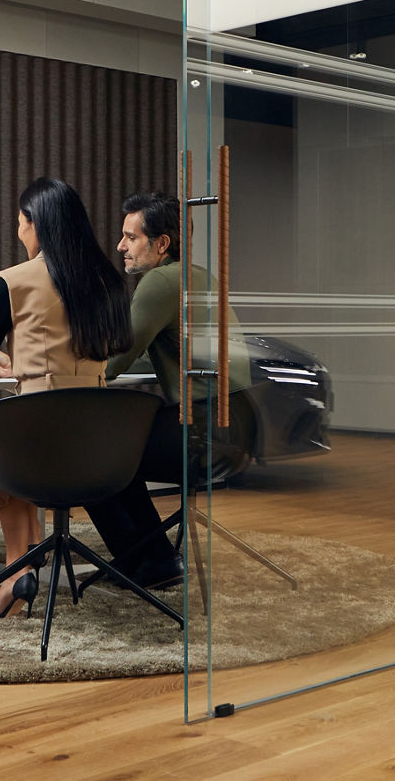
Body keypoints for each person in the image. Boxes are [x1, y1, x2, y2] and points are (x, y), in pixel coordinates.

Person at [0, 177, 181, 618]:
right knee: (9, 435)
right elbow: (99, 352)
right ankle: (14, 579)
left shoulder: (13, 281)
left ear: (36, 225)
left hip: (42, 451)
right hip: (101, 451)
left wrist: (6, 364)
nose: (19, 233)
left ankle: (14, 575)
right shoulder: (109, 282)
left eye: (20, 223)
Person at [103, 192, 251, 564]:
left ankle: (149, 562)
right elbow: (146, 355)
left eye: (131, 237)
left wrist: (68, 367)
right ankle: (151, 556)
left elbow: (118, 357)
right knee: (116, 451)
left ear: (162, 243)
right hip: (237, 425)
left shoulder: (161, 283)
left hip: (204, 427)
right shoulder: (200, 277)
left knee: (98, 459)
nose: (121, 246)